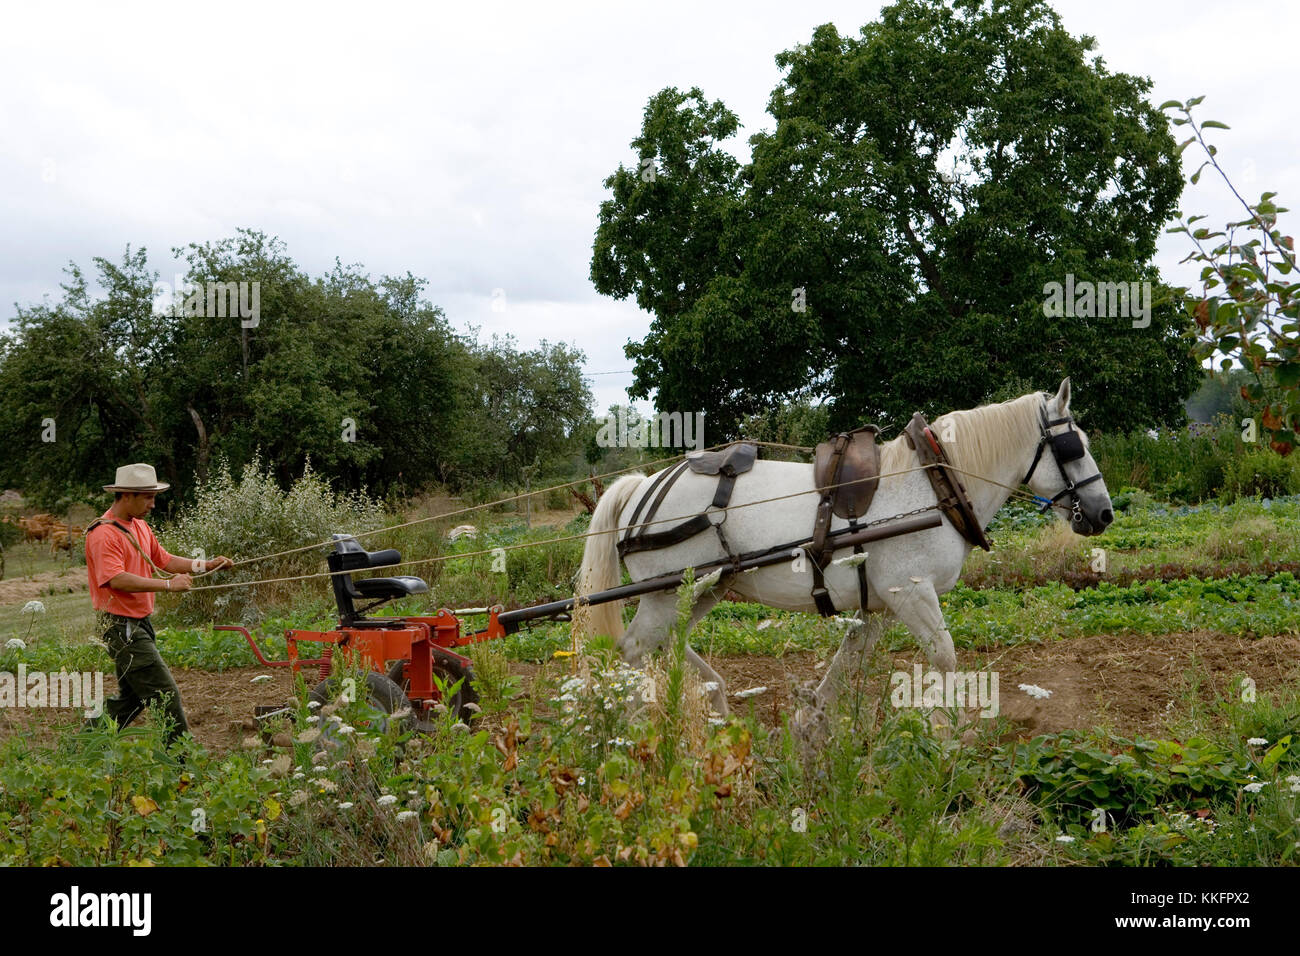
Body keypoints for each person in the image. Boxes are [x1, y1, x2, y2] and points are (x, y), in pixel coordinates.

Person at [82, 463, 233, 746]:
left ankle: (85, 744)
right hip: (121, 627)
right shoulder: (104, 534)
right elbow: (115, 579)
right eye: (147, 497)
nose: (152, 504)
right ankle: (182, 759)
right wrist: (167, 585)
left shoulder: (138, 525)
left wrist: (206, 565)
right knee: (165, 692)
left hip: (139, 623)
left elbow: (163, 560)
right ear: (126, 495)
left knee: (132, 699)